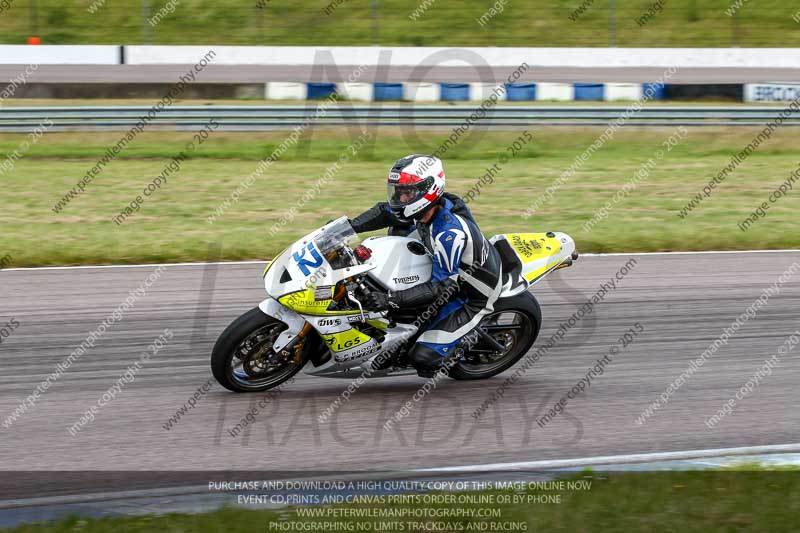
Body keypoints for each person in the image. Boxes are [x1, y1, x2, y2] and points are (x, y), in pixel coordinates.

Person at [348, 154, 503, 377]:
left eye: (407, 192)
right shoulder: (424, 207)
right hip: (444, 266)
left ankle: (459, 344)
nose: (400, 198)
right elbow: (384, 212)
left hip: (470, 293)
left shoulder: (448, 234)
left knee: (422, 358)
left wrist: (390, 299)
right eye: (397, 191)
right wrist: (349, 227)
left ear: (428, 191)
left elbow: (443, 288)